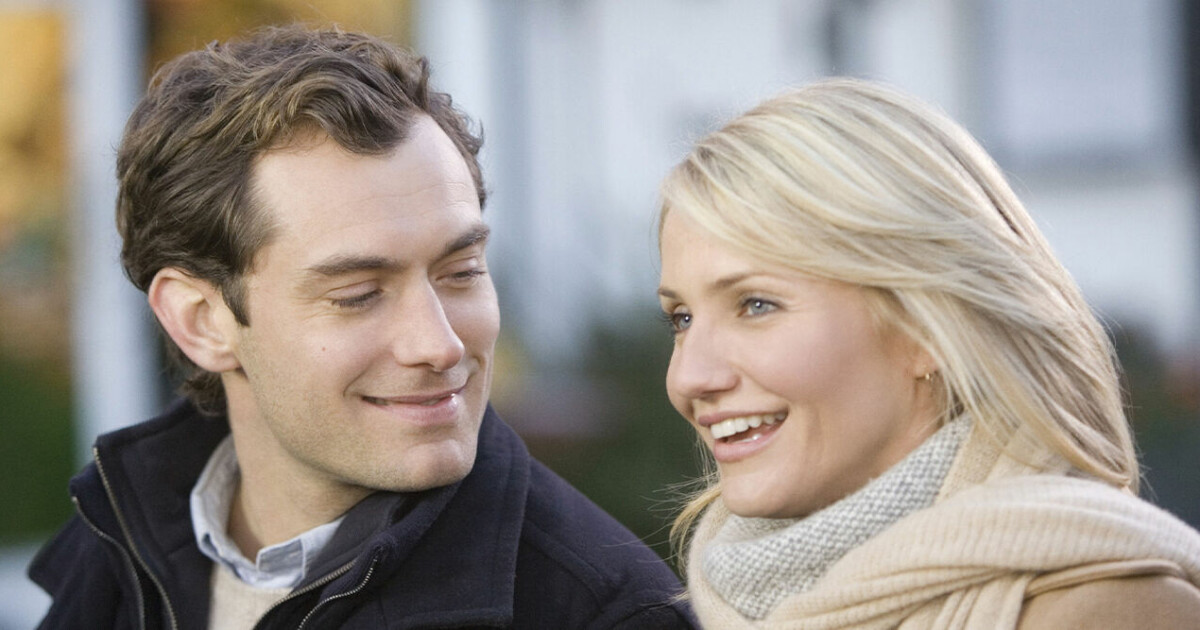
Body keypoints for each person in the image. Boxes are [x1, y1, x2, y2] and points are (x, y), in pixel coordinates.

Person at [29, 25, 695, 629]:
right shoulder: (114, 546)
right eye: (358, 295)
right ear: (201, 321)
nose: (439, 345)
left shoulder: (611, 615)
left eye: (461, 271)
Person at [656, 78, 1200, 629]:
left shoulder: (1109, 610)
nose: (689, 378)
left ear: (925, 327)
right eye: (681, 318)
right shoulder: (718, 606)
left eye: (756, 305)